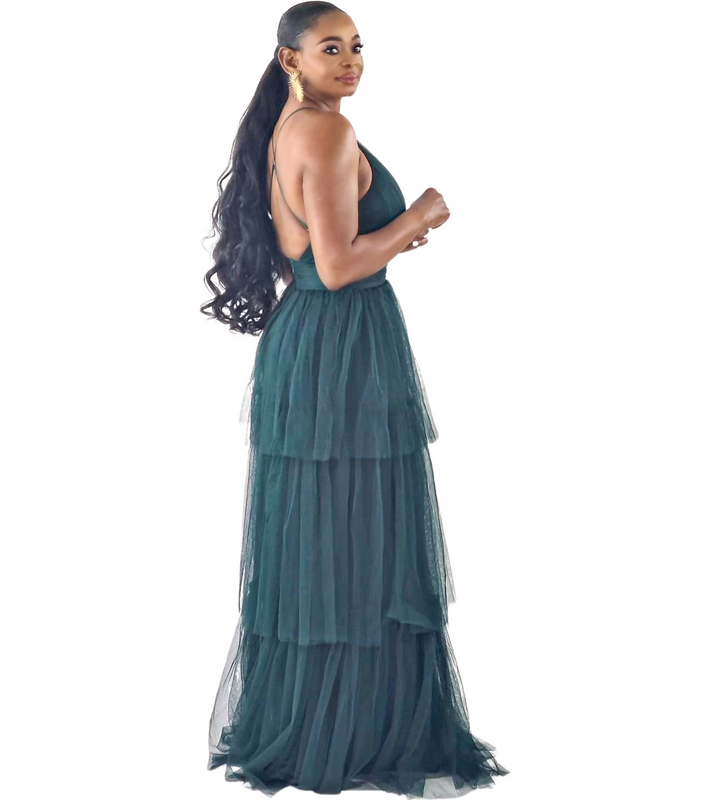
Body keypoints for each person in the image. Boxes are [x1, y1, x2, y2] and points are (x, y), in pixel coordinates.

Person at [201, 3, 510, 796]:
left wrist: (391, 233)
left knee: (328, 539)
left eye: (358, 47)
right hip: (344, 342)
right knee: (361, 537)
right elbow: (337, 267)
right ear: (290, 60)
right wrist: (417, 216)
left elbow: (311, 252)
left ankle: (325, 725)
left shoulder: (290, 129)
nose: (350, 61)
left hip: (314, 343)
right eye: (330, 48)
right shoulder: (327, 132)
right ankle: (359, 736)